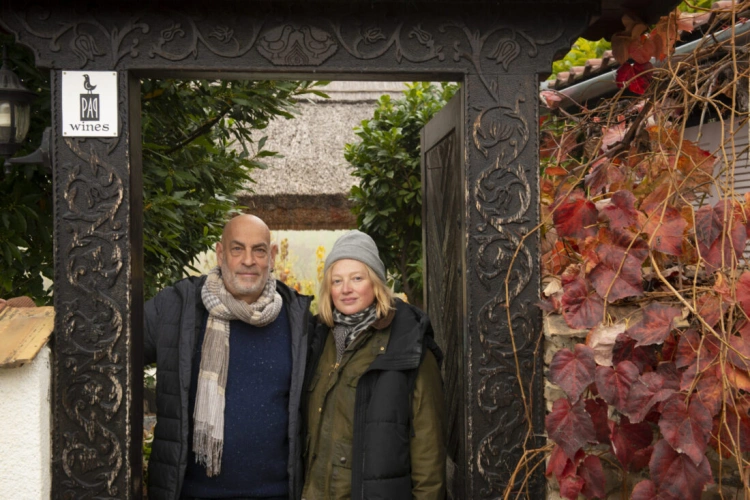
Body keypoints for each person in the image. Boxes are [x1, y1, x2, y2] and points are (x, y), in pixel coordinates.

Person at [144, 214, 313, 500]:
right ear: (220, 253)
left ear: (271, 256)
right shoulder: (176, 308)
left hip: (277, 494)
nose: (248, 260)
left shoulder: (298, 321)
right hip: (191, 494)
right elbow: (113, 341)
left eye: (259, 250)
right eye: (237, 249)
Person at [302, 230, 446, 500]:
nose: (346, 289)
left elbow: (429, 452)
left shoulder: (409, 345)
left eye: (357, 278)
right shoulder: (317, 342)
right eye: (337, 280)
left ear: (376, 283)